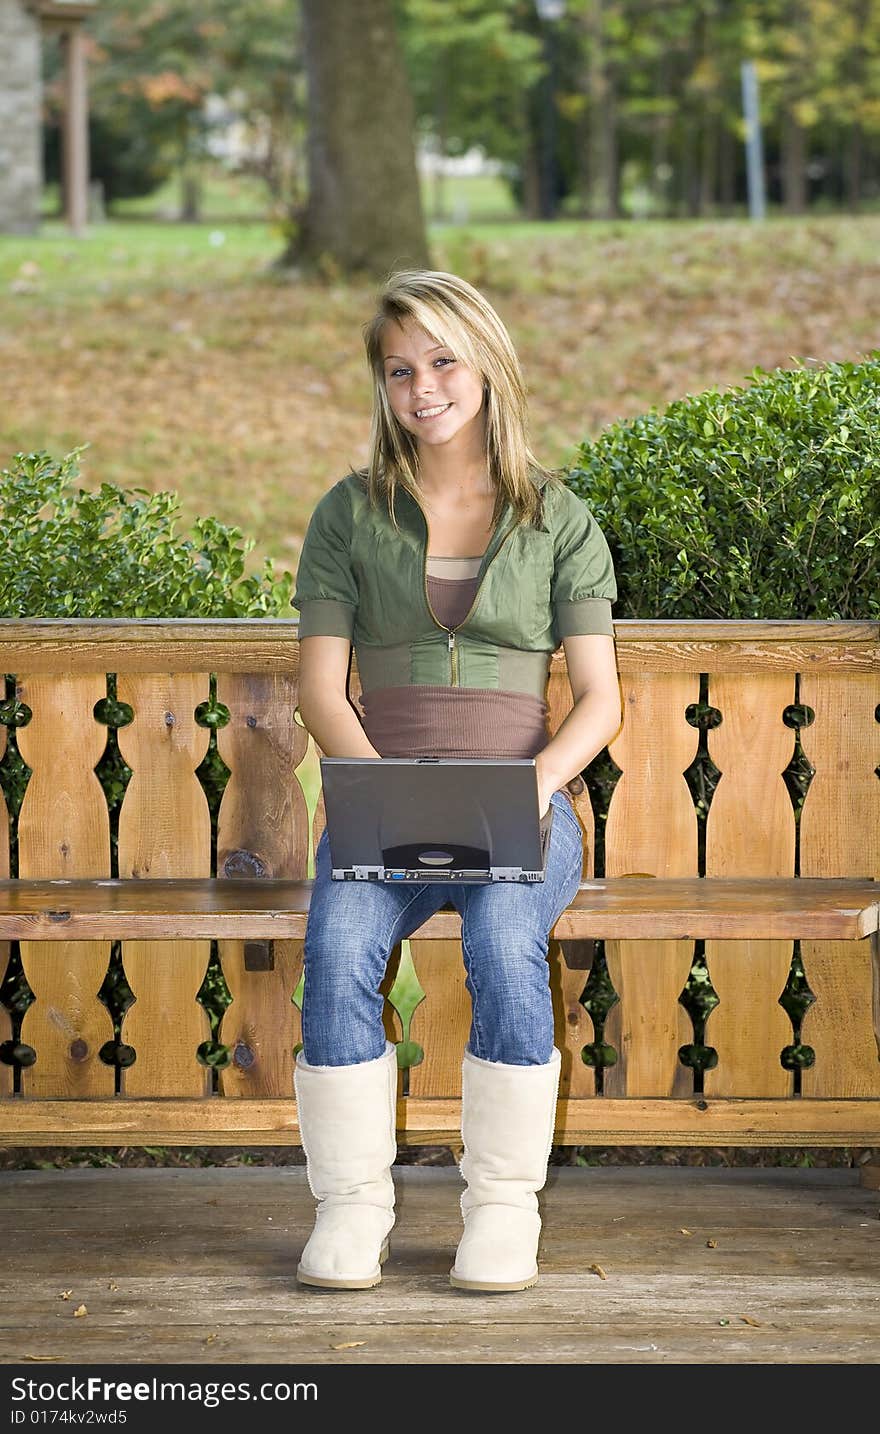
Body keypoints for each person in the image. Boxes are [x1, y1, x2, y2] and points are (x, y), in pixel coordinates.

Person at [292, 268, 621, 1294]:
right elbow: (318, 688)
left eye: (441, 360)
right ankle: (351, 1210)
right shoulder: (349, 515)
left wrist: (531, 786)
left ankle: (502, 1210)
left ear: (485, 363)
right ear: (381, 387)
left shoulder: (555, 517)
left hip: (517, 798)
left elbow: (601, 703)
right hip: (377, 789)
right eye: (400, 370)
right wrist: (379, 791)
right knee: (338, 948)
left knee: (501, 941)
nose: (422, 386)